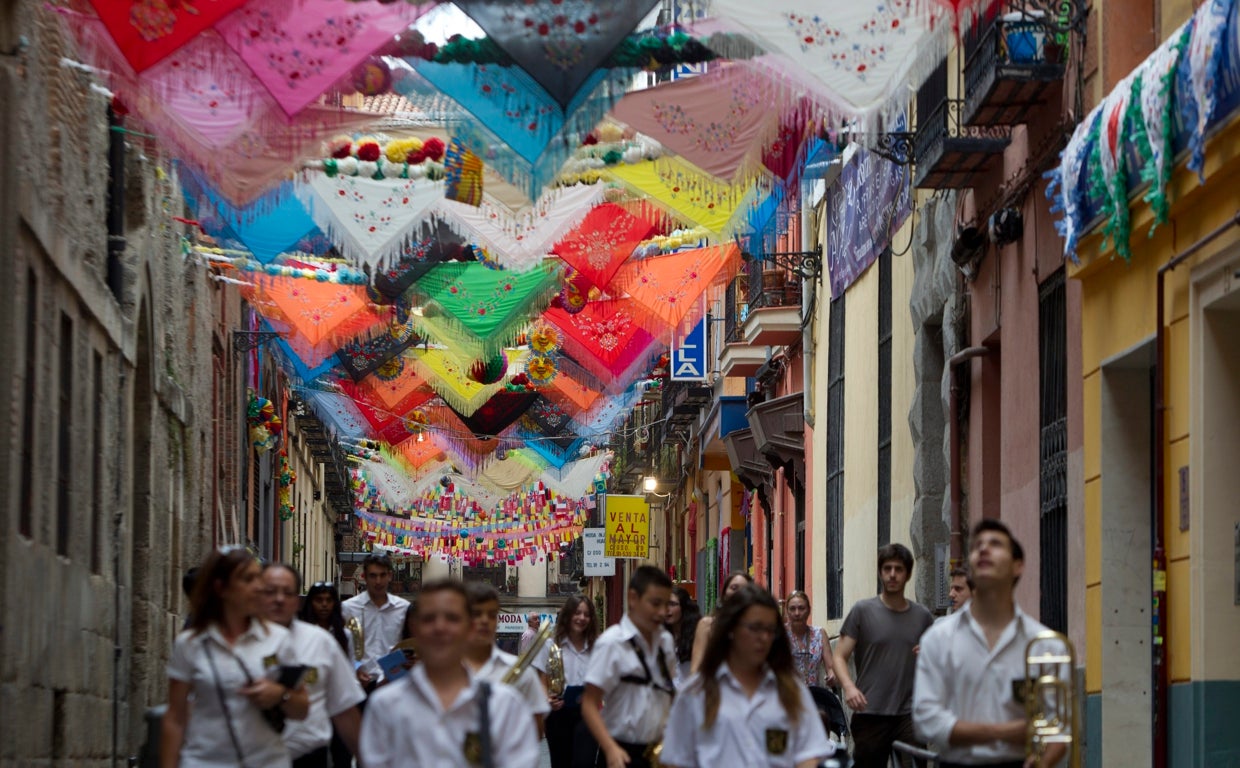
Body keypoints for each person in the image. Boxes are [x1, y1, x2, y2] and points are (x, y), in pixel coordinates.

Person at [914, 520, 1068, 768]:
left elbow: (1059, 729)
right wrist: (1003, 732)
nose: (984, 549)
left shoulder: (1046, 646)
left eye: (995, 544)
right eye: (977, 546)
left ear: (1018, 566)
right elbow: (926, 720)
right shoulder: (937, 638)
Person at [358, 578, 540, 768]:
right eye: (429, 618)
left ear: (469, 628)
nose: (440, 627)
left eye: (452, 618)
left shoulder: (504, 706)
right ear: (415, 628)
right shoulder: (384, 706)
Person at [161, 548, 310, 768]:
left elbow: (302, 708)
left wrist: (280, 695)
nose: (259, 586)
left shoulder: (279, 640)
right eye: (248, 579)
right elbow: (175, 718)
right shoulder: (191, 644)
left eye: (258, 578)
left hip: (266, 761)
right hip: (204, 761)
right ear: (221, 588)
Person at [661, 585, 835, 768]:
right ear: (731, 630)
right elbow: (676, 761)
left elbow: (808, 756)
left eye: (769, 630)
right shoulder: (696, 692)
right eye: (754, 628)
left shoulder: (791, 692)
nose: (763, 637)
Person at [832, 543, 935, 768]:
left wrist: (930, 655)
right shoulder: (863, 611)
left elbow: (938, 659)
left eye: (898, 569)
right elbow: (839, 656)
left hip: (909, 713)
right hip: (870, 711)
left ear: (907, 574)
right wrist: (849, 687)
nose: (892, 574)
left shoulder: (922, 616)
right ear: (880, 573)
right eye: (887, 568)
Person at [262, 564, 366, 768]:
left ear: (296, 601)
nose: (279, 599)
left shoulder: (322, 641)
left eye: (287, 593)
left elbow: (345, 708)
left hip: (309, 753)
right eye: (270, 591)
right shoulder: (236, 641)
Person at [582, 565, 677, 768]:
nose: (662, 612)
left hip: (659, 752)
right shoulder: (611, 643)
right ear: (633, 598)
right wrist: (610, 748)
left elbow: (667, 695)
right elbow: (589, 703)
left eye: (666, 604)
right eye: (655, 603)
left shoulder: (666, 642)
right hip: (621, 752)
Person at [463, 581, 552, 739]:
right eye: (477, 613)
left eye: (491, 614)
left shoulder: (523, 675)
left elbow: (536, 732)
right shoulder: (444, 672)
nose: (484, 620)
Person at [537, 594, 600, 768]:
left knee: (585, 762)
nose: (582, 618)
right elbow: (542, 679)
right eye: (577, 613)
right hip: (559, 712)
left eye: (586, 614)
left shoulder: (596, 646)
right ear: (568, 615)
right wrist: (547, 700)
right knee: (561, 762)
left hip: (588, 713)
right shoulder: (550, 644)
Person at [298, 581, 355, 768]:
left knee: (341, 755)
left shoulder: (344, 635)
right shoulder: (300, 634)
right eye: (319, 600)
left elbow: (349, 666)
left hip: (337, 702)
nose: (324, 605)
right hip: (311, 701)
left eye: (329, 600)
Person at [341, 553, 410, 690]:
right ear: (364, 577)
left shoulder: (403, 608)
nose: (378, 581)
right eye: (373, 576)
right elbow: (343, 646)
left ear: (389, 576)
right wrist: (356, 668)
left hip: (393, 684)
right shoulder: (348, 608)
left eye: (382, 575)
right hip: (359, 686)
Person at [689, 571, 754, 673]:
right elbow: (696, 668)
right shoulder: (707, 625)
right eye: (734, 588)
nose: (739, 593)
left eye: (745, 589)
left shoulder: (756, 628)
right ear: (724, 594)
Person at [784, 590, 836, 689]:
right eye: (792, 609)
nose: (797, 613)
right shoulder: (779, 634)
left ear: (808, 610)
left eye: (801, 608)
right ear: (787, 611)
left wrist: (832, 676)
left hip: (813, 696)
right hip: (786, 696)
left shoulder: (819, 634)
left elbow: (830, 668)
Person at [665, 587, 701, 686]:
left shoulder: (697, 633)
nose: (667, 609)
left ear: (684, 607)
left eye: (672, 604)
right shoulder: (661, 635)